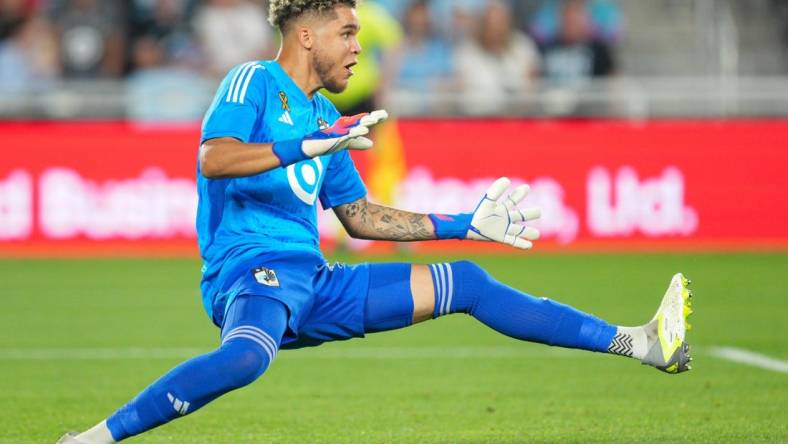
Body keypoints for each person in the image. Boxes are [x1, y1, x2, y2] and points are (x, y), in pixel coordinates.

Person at [57, 1, 693, 442]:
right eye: (348, 33)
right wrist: (301, 148)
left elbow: (361, 217)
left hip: (314, 282)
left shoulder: (322, 117)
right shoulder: (252, 81)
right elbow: (214, 157)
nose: (360, 49)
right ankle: (94, 438)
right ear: (307, 35)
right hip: (250, 272)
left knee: (467, 282)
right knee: (248, 359)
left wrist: (464, 222)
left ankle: (640, 343)